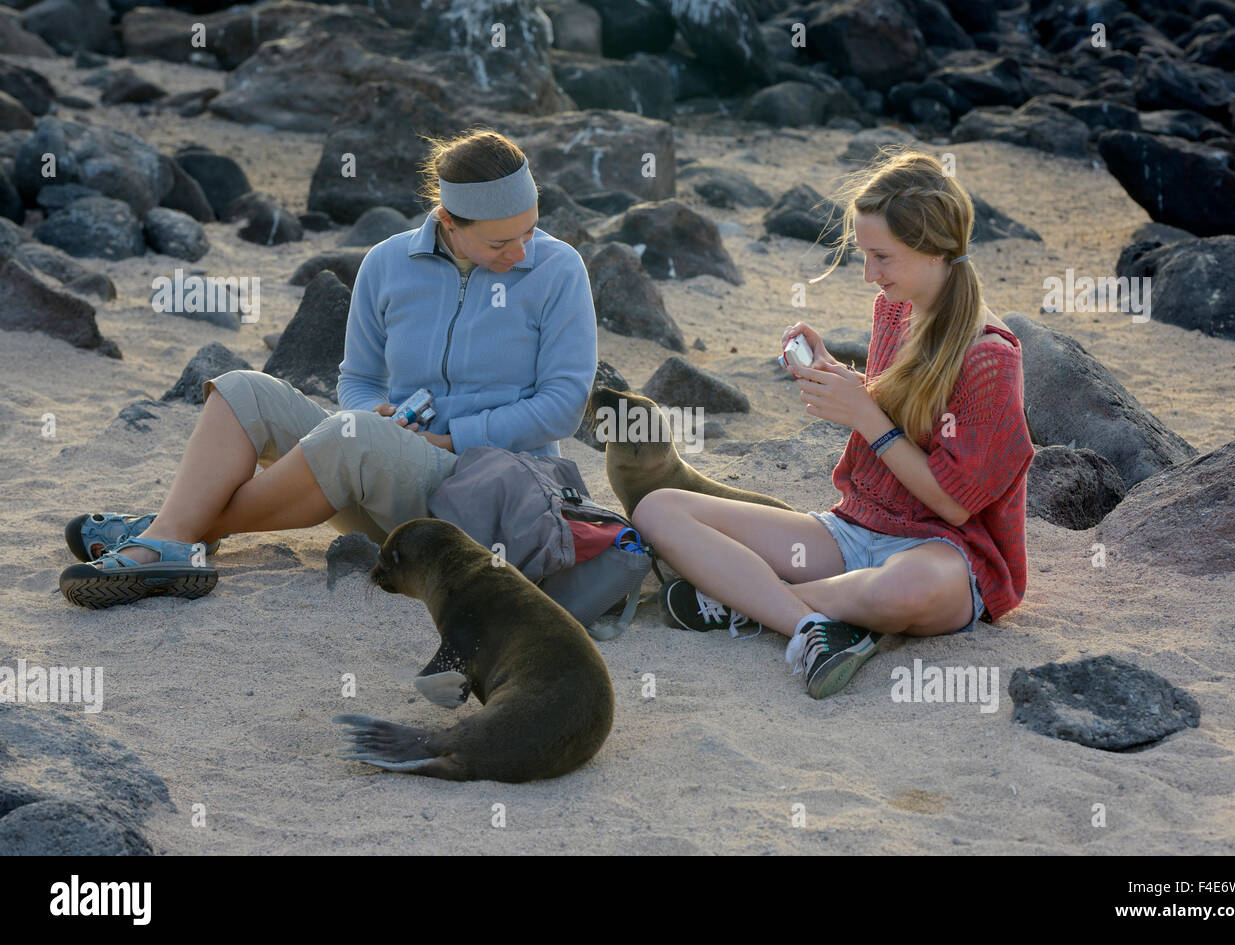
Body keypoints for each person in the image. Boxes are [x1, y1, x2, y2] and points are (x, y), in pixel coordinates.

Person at [60, 129, 598, 608]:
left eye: (530, 231)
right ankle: (171, 537)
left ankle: (161, 536)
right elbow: (358, 381)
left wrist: (449, 440)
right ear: (448, 221)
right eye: (500, 241)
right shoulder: (387, 262)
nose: (521, 251)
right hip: (377, 470)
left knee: (354, 435)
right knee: (241, 389)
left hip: (481, 495)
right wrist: (376, 417)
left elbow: (564, 405)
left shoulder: (558, 269)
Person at [632, 149, 1036, 699]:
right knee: (659, 508)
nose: (870, 274)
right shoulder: (895, 308)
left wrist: (864, 415)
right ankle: (812, 624)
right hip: (858, 528)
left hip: (945, 553)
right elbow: (894, 408)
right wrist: (838, 379)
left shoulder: (991, 358)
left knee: (902, 591)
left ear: (936, 250)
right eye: (864, 255)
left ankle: (748, 600)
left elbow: (954, 504)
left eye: (882, 257)